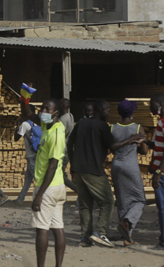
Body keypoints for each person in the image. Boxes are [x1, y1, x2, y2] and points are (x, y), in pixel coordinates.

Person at [67, 100, 143, 248]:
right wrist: (131, 139)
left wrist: (72, 164)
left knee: (85, 204)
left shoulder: (81, 123)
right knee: (108, 202)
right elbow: (113, 146)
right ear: (101, 110)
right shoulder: (102, 126)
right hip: (93, 170)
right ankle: (100, 232)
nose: (110, 113)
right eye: (108, 110)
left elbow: (70, 143)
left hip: (79, 169)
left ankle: (85, 238)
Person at [31, 99, 66, 267]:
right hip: (56, 187)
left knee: (42, 229)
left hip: (48, 187)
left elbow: (52, 166)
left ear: (56, 113)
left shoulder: (57, 133)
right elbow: (28, 114)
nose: (43, 111)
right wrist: (25, 97)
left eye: (47, 108)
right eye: (42, 107)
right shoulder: (48, 127)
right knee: (57, 227)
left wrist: (39, 195)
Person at [110, 100, 148, 246]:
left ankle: (127, 238)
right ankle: (127, 222)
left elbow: (111, 148)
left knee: (122, 200)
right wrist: (134, 147)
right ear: (132, 112)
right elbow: (144, 151)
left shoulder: (113, 128)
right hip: (130, 165)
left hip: (116, 165)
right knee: (140, 199)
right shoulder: (137, 127)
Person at [146, 93, 164, 250]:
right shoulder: (160, 123)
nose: (150, 107)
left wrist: (158, 171)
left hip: (162, 173)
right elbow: (157, 146)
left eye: (151, 104)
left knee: (163, 209)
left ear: (159, 104)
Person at [14, 104, 39, 207]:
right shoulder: (38, 123)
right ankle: (20, 199)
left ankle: (41, 199)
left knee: (37, 179)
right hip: (38, 153)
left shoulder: (25, 124)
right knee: (28, 179)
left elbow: (16, 138)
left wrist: (18, 126)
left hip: (31, 155)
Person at [57, 99, 77, 193]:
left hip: (62, 149)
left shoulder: (62, 119)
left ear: (63, 106)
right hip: (67, 149)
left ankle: (76, 189)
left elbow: (60, 135)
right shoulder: (70, 116)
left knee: (58, 174)